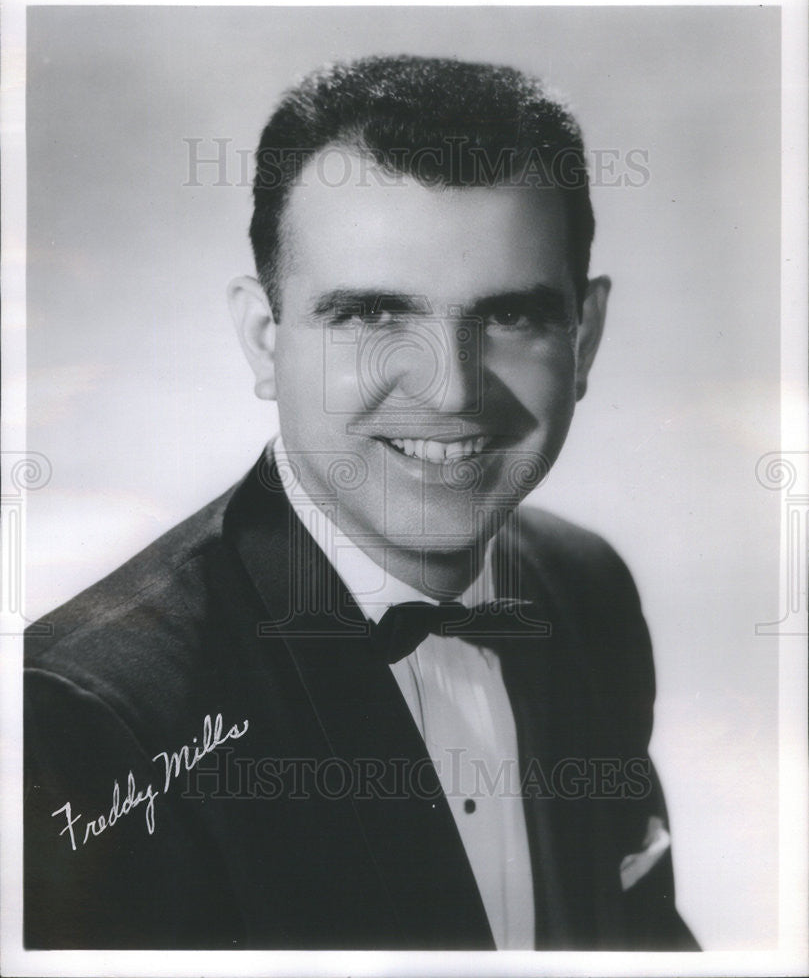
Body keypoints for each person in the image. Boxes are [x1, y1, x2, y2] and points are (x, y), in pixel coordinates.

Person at [24, 55, 698, 951]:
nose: (452, 391)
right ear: (266, 342)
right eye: (374, 316)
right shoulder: (83, 717)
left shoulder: (587, 584)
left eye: (509, 316)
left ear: (585, 336)